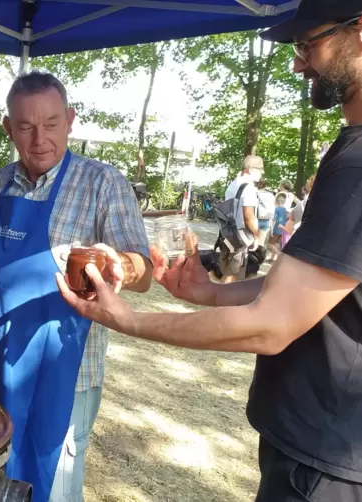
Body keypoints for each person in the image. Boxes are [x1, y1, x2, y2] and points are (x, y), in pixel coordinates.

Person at [57, 2, 362, 499]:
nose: (297, 62)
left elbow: (272, 324)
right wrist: (207, 292)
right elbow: (311, 292)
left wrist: (127, 320)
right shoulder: (348, 152)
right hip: (315, 448)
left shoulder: (357, 165)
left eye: (310, 43)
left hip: (328, 464)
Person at [0, 71, 152, 502]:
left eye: (52, 124)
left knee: (49, 485)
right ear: (8, 127)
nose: (40, 139)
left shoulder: (102, 183)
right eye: (26, 126)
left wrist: (123, 266)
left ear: (71, 120)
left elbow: (143, 268)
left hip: (66, 373)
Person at [219, 155, 263, 284]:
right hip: (241, 236)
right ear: (250, 169)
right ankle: (221, 301)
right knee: (233, 274)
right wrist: (256, 235)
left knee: (229, 271)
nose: (262, 173)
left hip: (228, 233)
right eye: (260, 169)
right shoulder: (248, 188)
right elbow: (248, 215)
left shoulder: (233, 184)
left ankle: (221, 299)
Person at [267, 193, 288, 261]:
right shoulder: (285, 210)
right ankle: (272, 258)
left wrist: (271, 229)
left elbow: (274, 220)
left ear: (276, 201)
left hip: (276, 229)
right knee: (276, 244)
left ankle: (279, 255)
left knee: (269, 244)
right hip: (282, 230)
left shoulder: (276, 209)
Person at [255, 180, 275, 249]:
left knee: (253, 243)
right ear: (266, 186)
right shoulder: (271, 195)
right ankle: (260, 258)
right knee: (261, 244)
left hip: (255, 219)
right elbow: (273, 209)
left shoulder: (254, 193)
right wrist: (272, 228)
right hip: (267, 220)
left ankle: (251, 259)